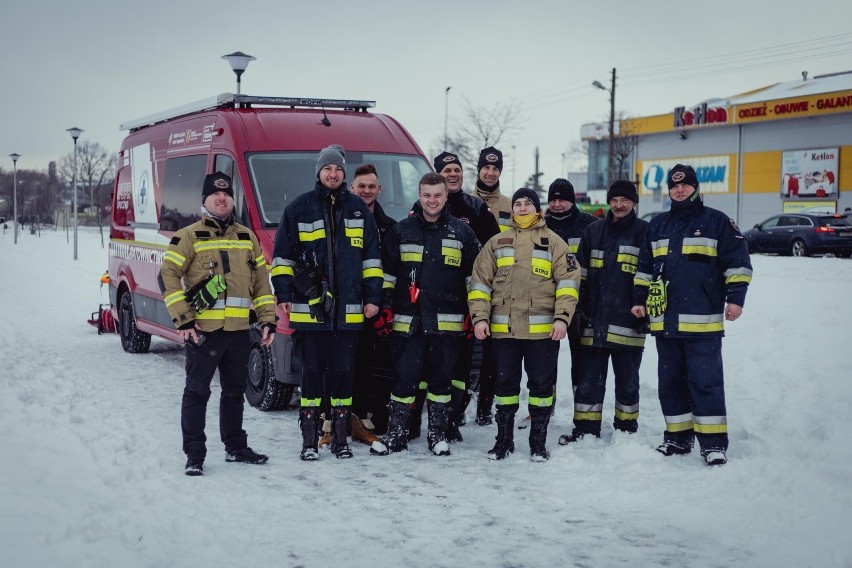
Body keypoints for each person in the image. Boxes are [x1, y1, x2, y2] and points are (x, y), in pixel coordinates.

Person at [631, 164, 752, 467]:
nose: (680, 190)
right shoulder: (657, 225)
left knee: (705, 382)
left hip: (703, 323)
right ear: (669, 191)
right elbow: (644, 269)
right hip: (665, 323)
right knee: (671, 383)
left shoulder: (717, 222)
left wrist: (736, 300)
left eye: (685, 186)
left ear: (696, 188)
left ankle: (713, 444)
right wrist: (639, 301)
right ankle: (677, 437)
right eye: (674, 187)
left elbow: (737, 263)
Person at [271, 144, 385, 460]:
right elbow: (282, 257)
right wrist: (283, 294)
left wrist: (372, 297)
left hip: (349, 312)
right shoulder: (298, 209)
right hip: (310, 311)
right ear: (319, 172)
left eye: (337, 169)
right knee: (311, 375)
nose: (332, 174)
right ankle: (309, 441)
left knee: (343, 375)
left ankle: (340, 440)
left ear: (343, 173)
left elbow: (372, 259)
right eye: (327, 169)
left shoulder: (359, 210)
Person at [160, 171, 277, 476]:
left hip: (238, 332)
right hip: (203, 333)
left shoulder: (246, 236)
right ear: (205, 200)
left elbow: (261, 284)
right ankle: (195, 454)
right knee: (197, 393)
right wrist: (183, 319)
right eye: (216, 195)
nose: (222, 199)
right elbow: (167, 277)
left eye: (226, 195)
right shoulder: (188, 236)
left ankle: (236, 447)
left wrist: (267, 320)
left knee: (235, 392)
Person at [468, 188, 581, 461]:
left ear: (538, 210)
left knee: (542, 389)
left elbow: (568, 284)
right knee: (505, 388)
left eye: (527, 204)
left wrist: (562, 318)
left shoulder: (554, 243)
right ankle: (503, 442)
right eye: (517, 204)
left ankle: (538, 444)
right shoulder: (496, 243)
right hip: (504, 332)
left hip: (542, 334)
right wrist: (480, 318)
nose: (520, 208)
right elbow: (479, 284)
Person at [374, 172, 479, 456]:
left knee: (441, 382)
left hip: (447, 324)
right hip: (408, 323)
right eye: (427, 195)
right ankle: (396, 435)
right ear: (420, 196)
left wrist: (474, 313)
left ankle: (438, 436)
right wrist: (384, 306)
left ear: (446, 196)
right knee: (404, 381)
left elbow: (475, 278)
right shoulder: (401, 231)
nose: (432, 201)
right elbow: (387, 274)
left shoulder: (462, 233)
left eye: (438, 195)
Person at [559, 180, 649, 444]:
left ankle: (626, 429)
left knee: (628, 382)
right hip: (593, 322)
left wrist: (645, 311)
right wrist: (578, 312)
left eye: (625, 201)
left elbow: (650, 275)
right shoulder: (593, 231)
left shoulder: (645, 232)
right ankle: (586, 430)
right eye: (614, 200)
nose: (619, 206)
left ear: (634, 203)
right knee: (589, 381)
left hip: (629, 323)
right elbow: (580, 275)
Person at [431, 151, 500, 442]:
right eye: (447, 170)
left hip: (468, 297)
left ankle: (453, 417)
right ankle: (433, 416)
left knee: (461, 363)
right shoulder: (427, 205)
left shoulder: (476, 207)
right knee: (435, 361)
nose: (453, 174)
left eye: (457, 169)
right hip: (434, 298)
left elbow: (496, 246)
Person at [349, 163, 397, 439]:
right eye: (361, 186)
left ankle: (368, 420)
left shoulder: (390, 227)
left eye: (371, 186)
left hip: (375, 309)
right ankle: (341, 421)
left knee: (373, 367)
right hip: (346, 307)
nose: (366, 191)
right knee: (345, 366)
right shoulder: (341, 220)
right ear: (352, 188)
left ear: (379, 189)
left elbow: (391, 267)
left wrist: (384, 303)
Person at [544, 178, 598, 396]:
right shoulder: (541, 225)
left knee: (583, 360)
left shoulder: (590, 225)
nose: (557, 204)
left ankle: (582, 406)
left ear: (572, 200)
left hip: (582, 304)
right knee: (544, 362)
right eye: (553, 200)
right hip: (546, 304)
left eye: (562, 200)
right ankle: (545, 406)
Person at [470, 146, 511, 426]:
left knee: (493, 352)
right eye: (486, 167)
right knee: (465, 350)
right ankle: (458, 406)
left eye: (495, 169)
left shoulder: (511, 205)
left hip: (502, 285)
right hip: (471, 281)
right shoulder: (465, 202)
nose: (490, 172)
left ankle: (485, 406)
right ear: (479, 169)